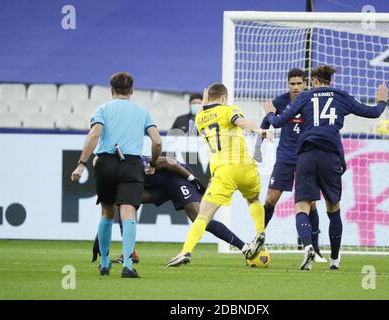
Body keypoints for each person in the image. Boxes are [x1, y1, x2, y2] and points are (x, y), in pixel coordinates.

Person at [264, 65, 388, 270]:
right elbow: (373, 113)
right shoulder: (341, 96)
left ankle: (308, 247)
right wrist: (382, 100)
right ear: (331, 82)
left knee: (302, 206)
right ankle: (335, 259)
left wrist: (269, 114)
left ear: (312, 81)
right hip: (331, 156)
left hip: (307, 155)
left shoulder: (304, 97)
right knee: (333, 207)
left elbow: (277, 122)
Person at [166, 83, 272, 267]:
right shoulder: (228, 110)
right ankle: (260, 232)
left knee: (203, 216)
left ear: (208, 98)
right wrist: (260, 130)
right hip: (246, 167)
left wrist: (204, 102)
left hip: (224, 171)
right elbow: (241, 122)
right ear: (224, 97)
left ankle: (185, 252)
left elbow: (203, 111)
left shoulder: (199, 118)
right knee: (253, 200)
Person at [71, 72, 162, 278]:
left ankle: (104, 264)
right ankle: (128, 265)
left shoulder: (102, 109)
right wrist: (154, 163)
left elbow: (94, 134)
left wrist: (81, 164)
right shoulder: (143, 112)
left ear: (111, 90)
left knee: (107, 213)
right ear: (132, 90)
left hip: (106, 162)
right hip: (131, 163)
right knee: (128, 212)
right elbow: (157, 142)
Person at [92, 155, 252, 263]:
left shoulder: (135, 163)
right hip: (158, 188)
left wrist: (192, 179)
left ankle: (244, 247)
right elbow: (108, 209)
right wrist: (99, 237)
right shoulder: (115, 176)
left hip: (177, 181)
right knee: (124, 203)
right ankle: (131, 253)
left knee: (201, 220)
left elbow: (169, 162)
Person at [254, 68, 326, 264]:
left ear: (305, 83)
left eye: (298, 83)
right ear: (288, 84)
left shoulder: (313, 100)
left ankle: (315, 249)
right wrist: (258, 147)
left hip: (306, 157)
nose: (295, 87)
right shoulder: (281, 101)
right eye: (292, 84)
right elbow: (266, 121)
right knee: (270, 199)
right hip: (285, 158)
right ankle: (258, 239)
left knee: (310, 203)